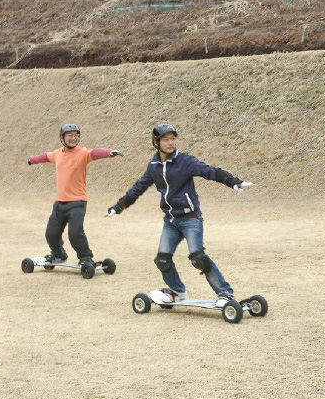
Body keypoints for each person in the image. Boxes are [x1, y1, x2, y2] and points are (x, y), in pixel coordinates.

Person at [106, 123, 252, 304]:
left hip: (190, 217)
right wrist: (118, 207)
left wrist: (233, 182)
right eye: (166, 139)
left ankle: (225, 293)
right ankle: (177, 292)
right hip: (170, 221)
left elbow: (209, 171)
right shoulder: (153, 166)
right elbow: (138, 188)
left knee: (198, 258)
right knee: (162, 260)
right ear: (156, 143)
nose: (171, 142)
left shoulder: (185, 161)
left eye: (173, 139)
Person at [28, 123, 122, 265]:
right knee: (51, 234)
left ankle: (85, 257)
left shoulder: (83, 153)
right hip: (59, 203)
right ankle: (58, 255)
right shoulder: (57, 154)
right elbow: (45, 156)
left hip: (77, 203)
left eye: (76, 135)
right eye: (70, 135)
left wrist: (110, 152)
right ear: (62, 137)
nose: (73, 138)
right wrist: (32, 160)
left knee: (75, 233)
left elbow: (95, 153)